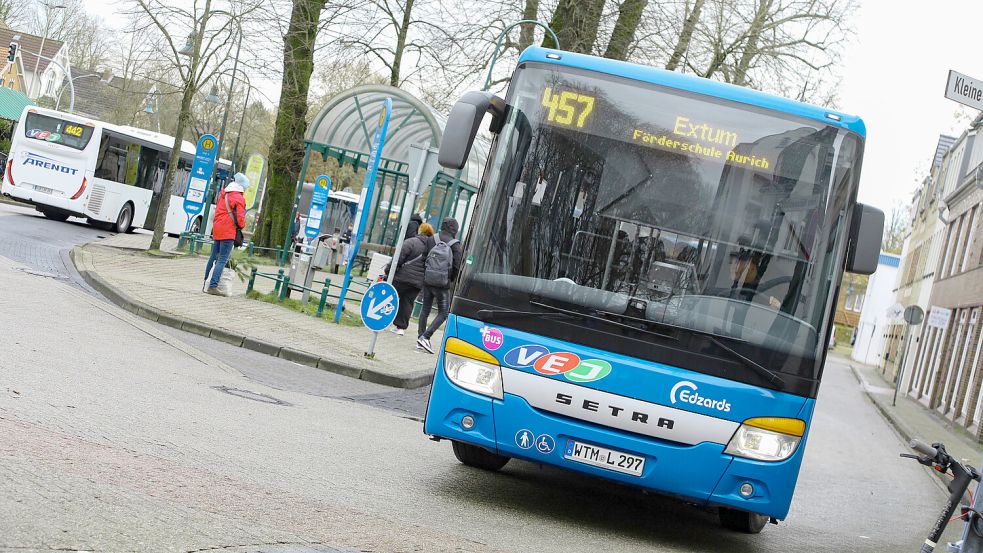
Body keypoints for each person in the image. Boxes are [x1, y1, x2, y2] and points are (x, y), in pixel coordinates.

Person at [416, 218, 463, 353]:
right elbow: (456, 266)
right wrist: (450, 279)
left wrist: (427, 275)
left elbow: (424, 258)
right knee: (443, 313)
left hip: (428, 280)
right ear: (455, 229)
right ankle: (426, 336)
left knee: (425, 310)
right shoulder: (455, 244)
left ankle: (420, 338)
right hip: (442, 284)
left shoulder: (432, 239)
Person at [385, 223, 435, 336]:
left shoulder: (411, 242)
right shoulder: (432, 248)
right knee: (407, 302)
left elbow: (398, 258)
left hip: (401, 278)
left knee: (388, 296)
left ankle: (381, 319)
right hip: (418, 282)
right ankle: (400, 328)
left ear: (420, 231)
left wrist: (388, 270)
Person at [203, 173, 248, 295]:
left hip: (217, 229)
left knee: (213, 256)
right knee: (222, 259)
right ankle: (213, 285)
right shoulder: (239, 198)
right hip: (228, 231)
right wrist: (242, 225)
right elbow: (240, 219)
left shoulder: (224, 194)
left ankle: (205, 283)